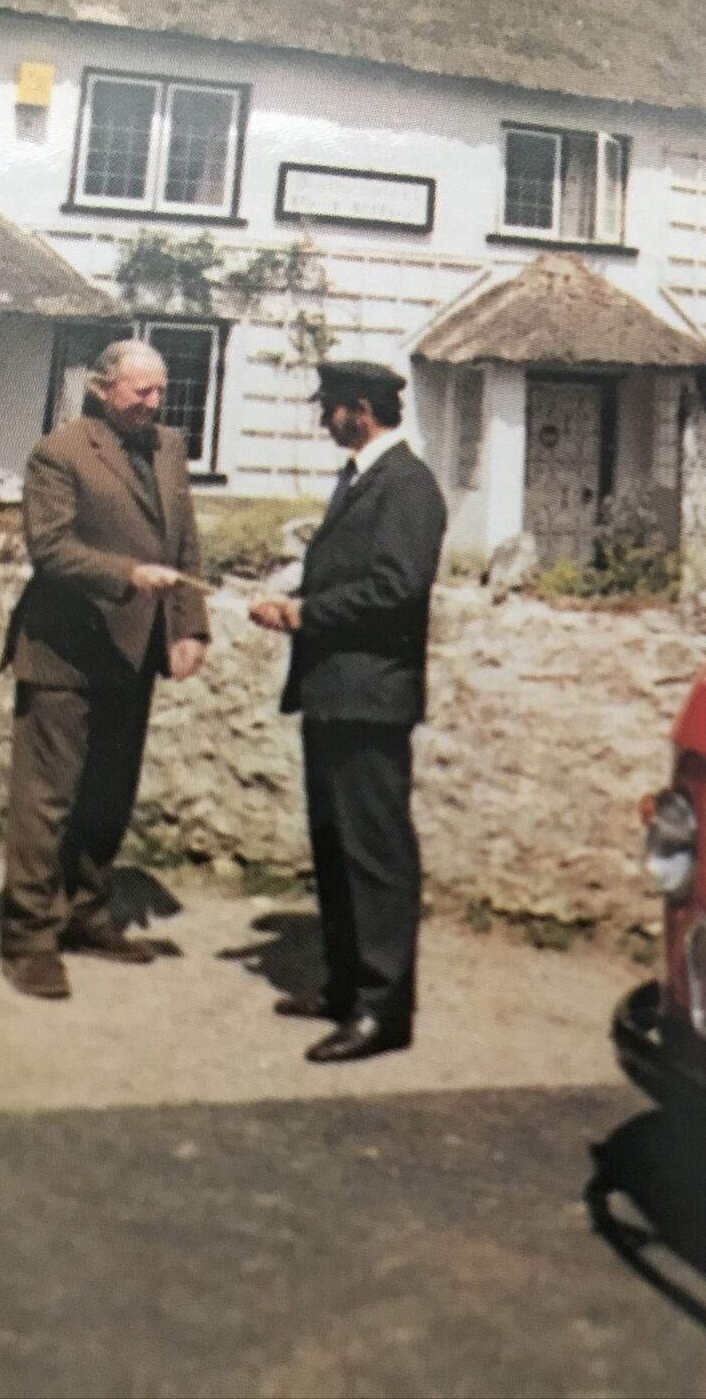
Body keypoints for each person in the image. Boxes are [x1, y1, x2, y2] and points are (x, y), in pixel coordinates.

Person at [0, 340, 209, 999]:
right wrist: (126, 574)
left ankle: (86, 915)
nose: (153, 403)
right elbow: (52, 548)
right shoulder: (59, 452)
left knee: (108, 797)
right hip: (63, 651)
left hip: (133, 652)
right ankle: (29, 938)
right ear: (101, 388)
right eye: (139, 391)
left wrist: (190, 623)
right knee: (47, 800)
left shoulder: (168, 447)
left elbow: (184, 540)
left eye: (159, 391)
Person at [250, 359, 446, 1064]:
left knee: (376, 856)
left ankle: (383, 1010)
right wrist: (293, 602)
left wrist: (305, 614)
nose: (321, 420)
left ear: (360, 409)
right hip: (336, 694)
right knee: (335, 849)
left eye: (328, 408)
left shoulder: (409, 486)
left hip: (372, 699)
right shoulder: (362, 478)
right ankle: (345, 986)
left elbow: (396, 589)